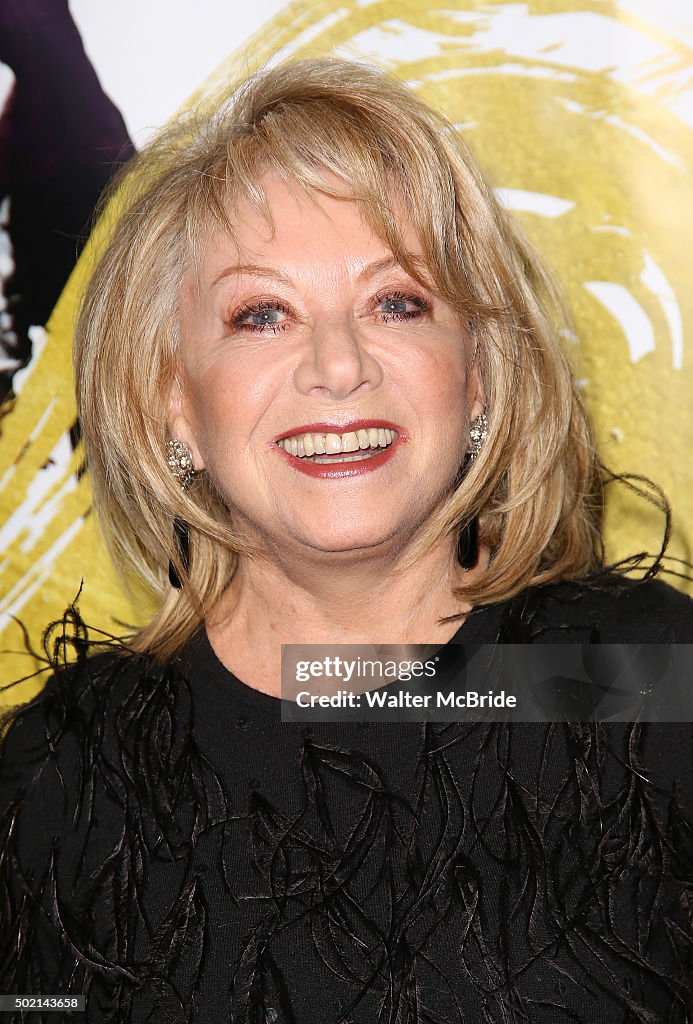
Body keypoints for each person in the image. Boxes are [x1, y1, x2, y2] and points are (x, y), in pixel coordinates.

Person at [1, 57, 691, 1023]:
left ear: (481, 377)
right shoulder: (62, 782)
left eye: (396, 302)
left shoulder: (643, 677)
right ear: (170, 404)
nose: (336, 366)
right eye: (261, 314)